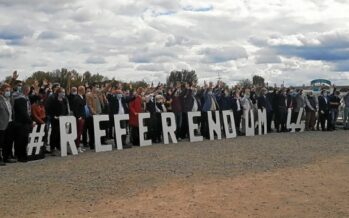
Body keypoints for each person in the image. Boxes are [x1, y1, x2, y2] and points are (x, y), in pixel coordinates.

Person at [13, 84, 32, 162]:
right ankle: (21, 156)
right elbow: (24, 113)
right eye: (28, 90)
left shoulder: (23, 98)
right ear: (26, 91)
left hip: (20, 122)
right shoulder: (21, 99)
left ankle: (19, 155)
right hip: (22, 123)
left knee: (20, 140)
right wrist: (30, 121)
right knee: (22, 140)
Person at [48, 88, 69, 156]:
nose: (63, 93)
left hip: (62, 119)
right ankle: (52, 148)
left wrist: (65, 116)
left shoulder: (64, 100)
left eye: (64, 92)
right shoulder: (53, 100)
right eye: (62, 92)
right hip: (55, 120)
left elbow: (66, 109)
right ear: (58, 93)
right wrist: (54, 116)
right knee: (55, 133)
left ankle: (59, 147)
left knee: (61, 134)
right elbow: (50, 109)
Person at [0, 83, 12, 165]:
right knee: (0, 143)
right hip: (1, 124)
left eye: (9, 90)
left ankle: (6, 157)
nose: (8, 92)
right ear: (1, 91)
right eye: (6, 91)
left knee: (8, 142)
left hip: (10, 123)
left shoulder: (8, 99)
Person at [72, 86, 86, 153]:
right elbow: (75, 108)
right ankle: (77, 146)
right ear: (81, 90)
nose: (85, 91)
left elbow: (83, 104)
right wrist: (78, 117)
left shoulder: (82, 97)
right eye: (84, 90)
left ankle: (78, 145)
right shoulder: (77, 98)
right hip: (79, 117)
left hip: (82, 116)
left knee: (80, 132)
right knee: (78, 132)